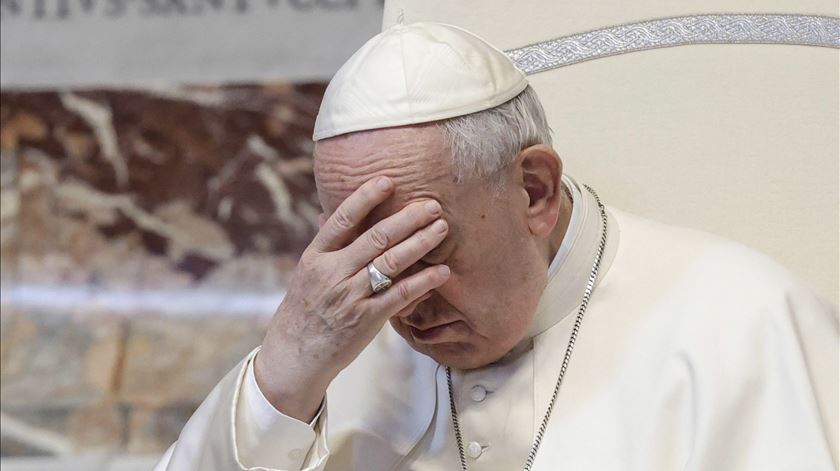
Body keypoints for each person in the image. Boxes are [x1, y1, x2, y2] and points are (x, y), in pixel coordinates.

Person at [155, 22, 837, 470]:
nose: (403, 303)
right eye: (367, 252)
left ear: (534, 190)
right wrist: (284, 372)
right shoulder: (338, 342)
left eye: (423, 245)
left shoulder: (743, 323)